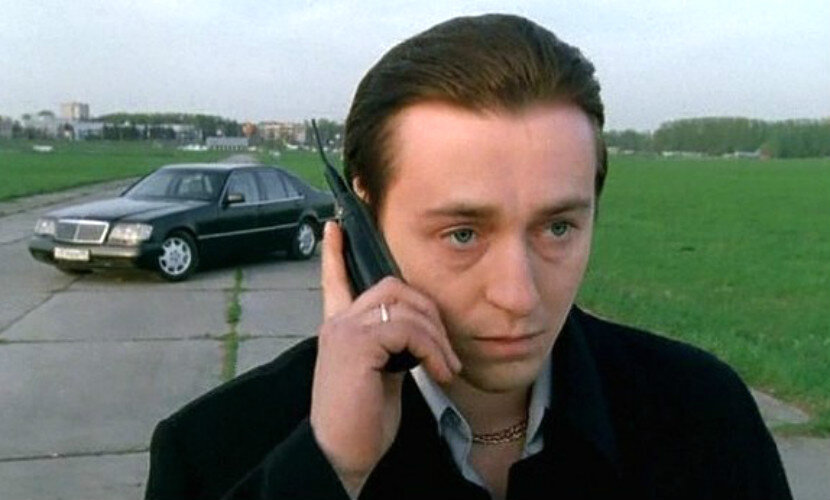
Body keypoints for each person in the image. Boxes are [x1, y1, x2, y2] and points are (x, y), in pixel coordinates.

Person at [145, 14, 792, 500]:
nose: (519, 296)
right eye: (462, 234)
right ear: (362, 225)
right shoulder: (213, 452)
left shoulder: (706, 417)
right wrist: (328, 468)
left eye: (558, 228)